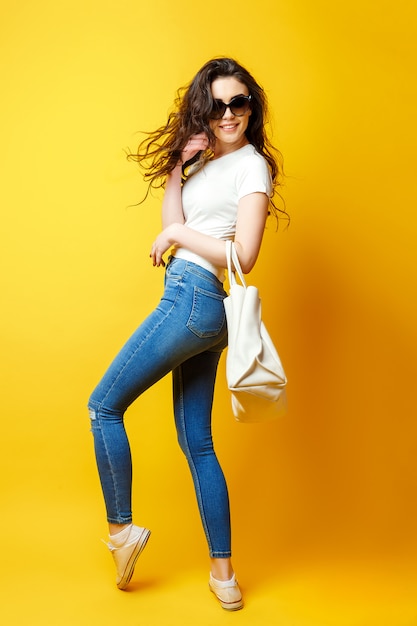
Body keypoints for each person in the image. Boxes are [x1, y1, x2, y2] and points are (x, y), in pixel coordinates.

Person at [88, 57, 285, 611]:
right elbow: (171, 222)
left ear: (252, 106)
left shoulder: (252, 166)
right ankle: (224, 575)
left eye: (238, 103)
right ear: (205, 107)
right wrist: (178, 166)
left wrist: (178, 232)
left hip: (196, 297)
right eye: (218, 104)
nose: (228, 114)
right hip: (195, 301)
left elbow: (244, 253)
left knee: (103, 407)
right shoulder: (206, 163)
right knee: (197, 441)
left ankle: (122, 532)